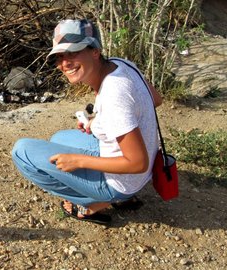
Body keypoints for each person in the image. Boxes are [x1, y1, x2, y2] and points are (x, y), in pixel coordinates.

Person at [11, 19, 163, 225]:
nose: (64, 64)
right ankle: (117, 195)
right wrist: (100, 121)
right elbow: (155, 99)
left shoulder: (113, 94)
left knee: (22, 151)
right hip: (143, 170)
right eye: (59, 57)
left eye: (73, 53)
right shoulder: (121, 64)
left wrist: (78, 161)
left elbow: (137, 162)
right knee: (58, 139)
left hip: (126, 180)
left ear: (95, 51)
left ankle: (96, 202)